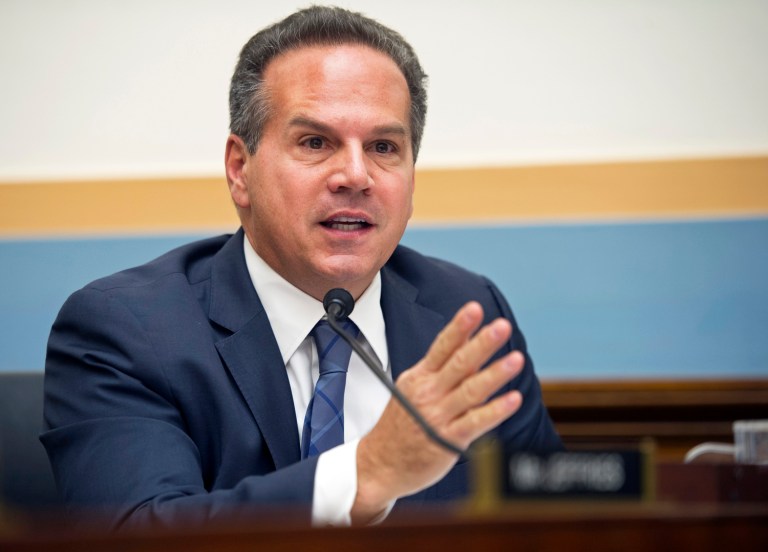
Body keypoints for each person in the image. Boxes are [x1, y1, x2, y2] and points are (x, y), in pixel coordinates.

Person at [41, 5, 562, 531]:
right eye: (316, 142)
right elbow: (137, 533)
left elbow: (550, 519)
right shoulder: (126, 329)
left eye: (384, 147)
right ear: (240, 170)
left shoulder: (464, 314)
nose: (355, 176)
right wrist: (366, 473)